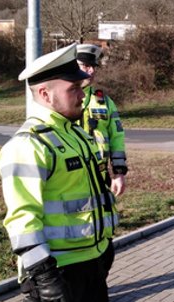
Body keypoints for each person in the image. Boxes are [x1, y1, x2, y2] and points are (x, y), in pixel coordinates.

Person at [0, 43, 117, 302]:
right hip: (55, 269)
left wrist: (104, 248)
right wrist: (43, 275)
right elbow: (22, 218)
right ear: (45, 94)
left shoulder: (76, 135)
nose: (82, 93)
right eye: (73, 88)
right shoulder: (27, 145)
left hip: (90, 259)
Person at [75, 43, 128, 197]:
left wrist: (118, 173)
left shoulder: (104, 101)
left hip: (100, 176)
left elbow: (117, 138)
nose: (91, 71)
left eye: (93, 66)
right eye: (85, 66)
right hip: (71, 177)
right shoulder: (59, 100)